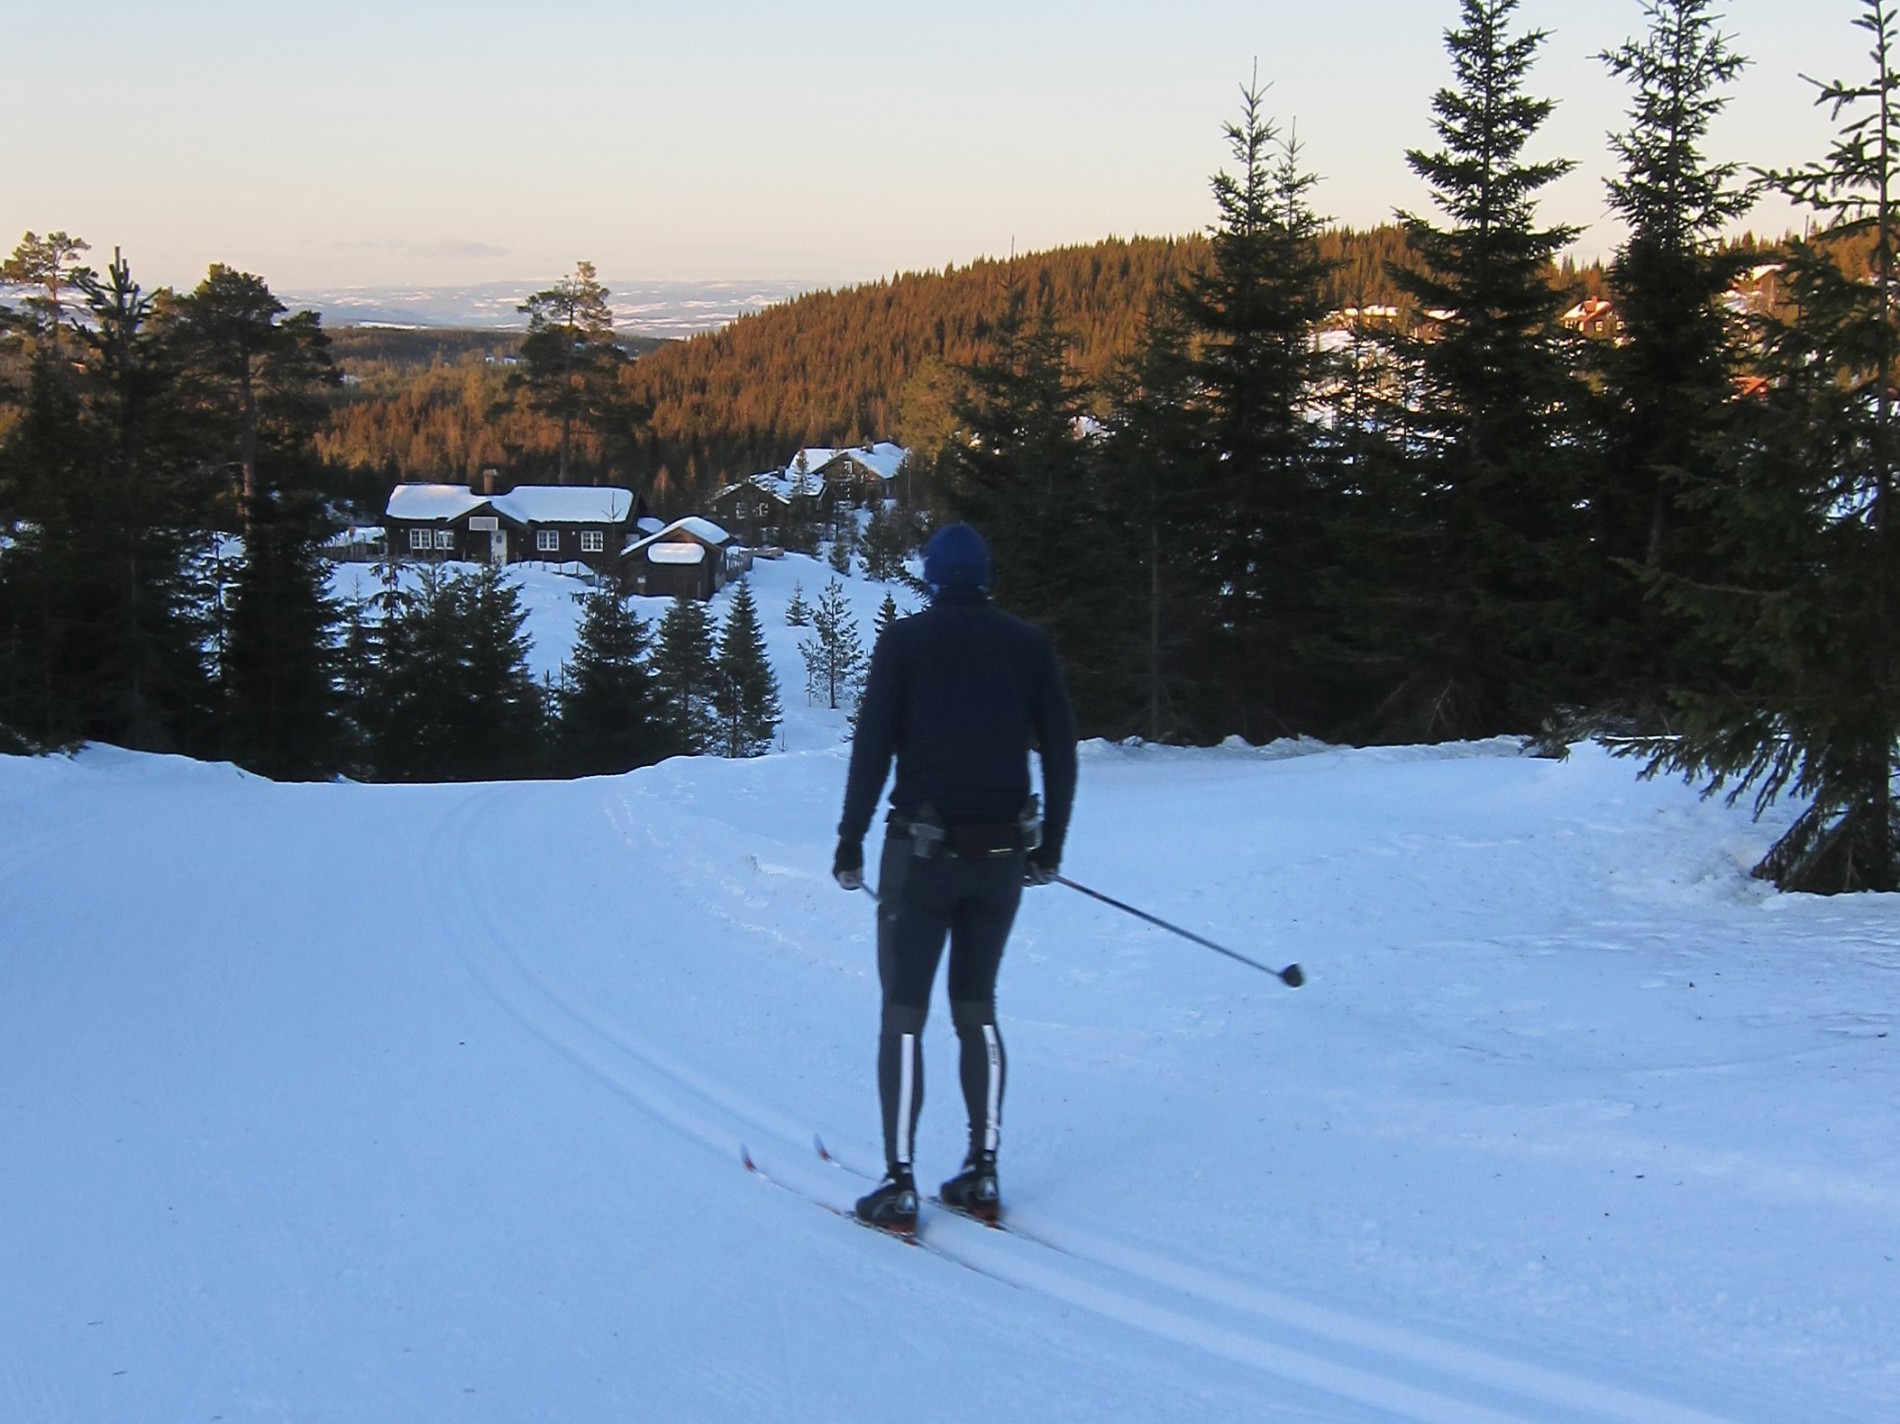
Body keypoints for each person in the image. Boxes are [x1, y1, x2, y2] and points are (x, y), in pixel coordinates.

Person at [832, 522, 1078, 1232]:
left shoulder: (906, 642)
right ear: (986, 575)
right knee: (978, 1007)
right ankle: (982, 1169)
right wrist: (1049, 847)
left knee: (904, 1014)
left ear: (932, 576)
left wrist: (849, 840)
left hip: (922, 857)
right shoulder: (1029, 645)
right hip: (1001, 861)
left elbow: (873, 749)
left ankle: (899, 1181)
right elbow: (1061, 754)